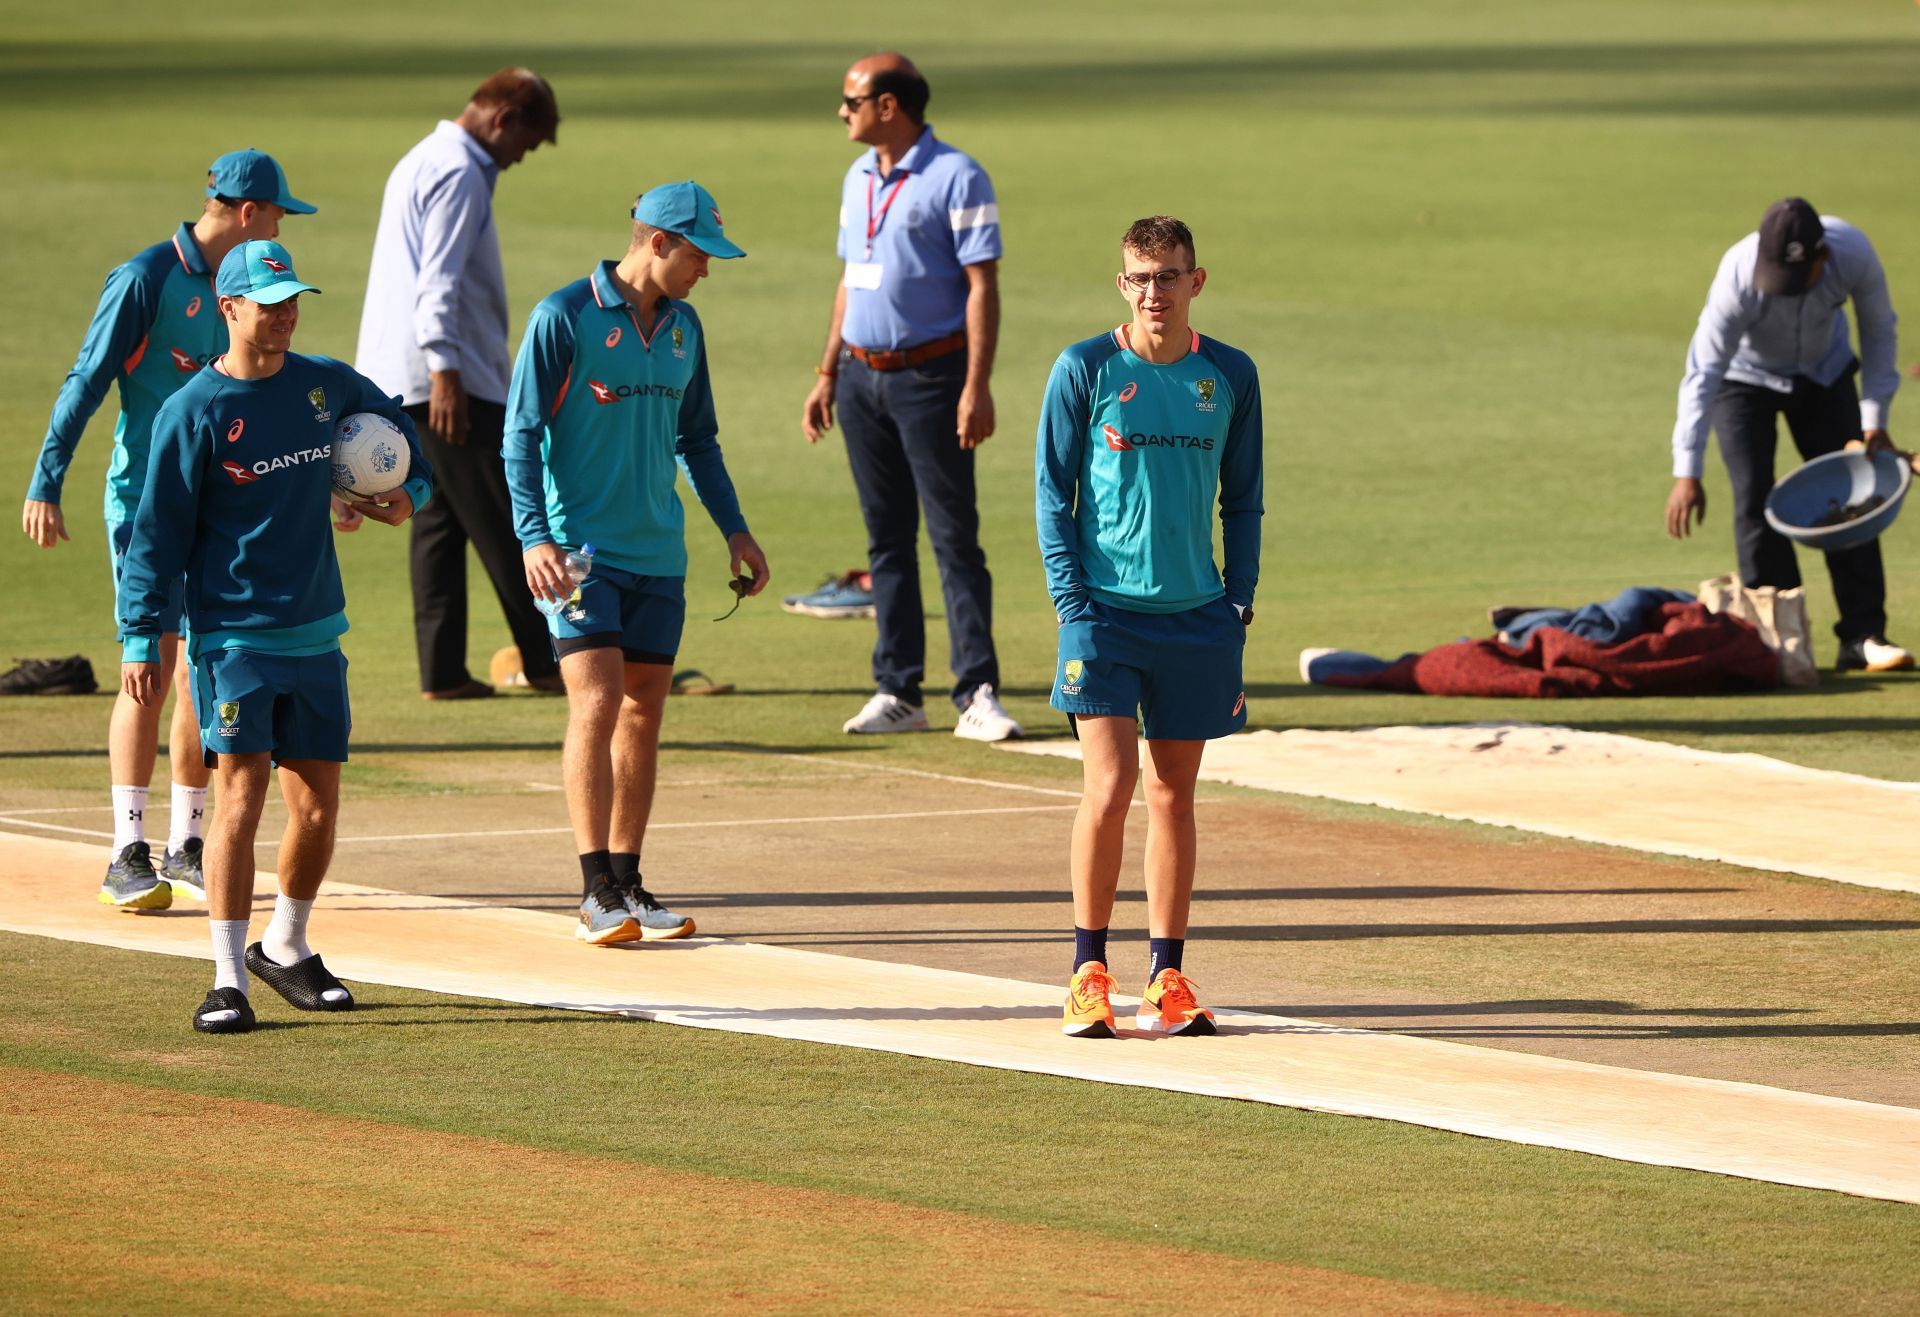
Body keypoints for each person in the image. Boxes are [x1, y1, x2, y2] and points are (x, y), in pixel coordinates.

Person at [119, 239, 432, 1033]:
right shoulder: (194, 413)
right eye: (270, 301)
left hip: (318, 632)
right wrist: (137, 639)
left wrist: (407, 491)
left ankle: (285, 944)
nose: (286, 313)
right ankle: (227, 978)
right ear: (230, 308)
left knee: (319, 808)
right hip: (232, 639)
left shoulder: (325, 385)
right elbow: (155, 536)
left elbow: (401, 430)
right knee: (240, 799)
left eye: (293, 299)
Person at [23, 148, 315, 912]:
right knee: (146, 664)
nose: (281, 225)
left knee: (201, 670)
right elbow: (87, 379)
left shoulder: (243, 290)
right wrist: (45, 482)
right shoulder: (147, 277)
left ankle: (187, 843)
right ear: (248, 213)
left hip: (223, 507)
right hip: (147, 506)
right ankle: (126, 850)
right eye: (278, 212)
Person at [504, 182, 769, 946]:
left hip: (660, 551)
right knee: (596, 700)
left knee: (644, 710)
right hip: (580, 555)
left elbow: (700, 442)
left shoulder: (686, 328)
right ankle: (593, 890)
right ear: (657, 243)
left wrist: (737, 532)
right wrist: (533, 537)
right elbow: (520, 437)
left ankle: (628, 878)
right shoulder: (564, 318)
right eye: (699, 255)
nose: (706, 271)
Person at [1035, 216, 1263, 1039]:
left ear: (1195, 282)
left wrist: (1239, 598)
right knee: (1110, 785)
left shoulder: (1229, 374)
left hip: (1198, 616)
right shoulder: (1086, 368)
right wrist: (1071, 602)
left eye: (1169, 276)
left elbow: (1243, 497)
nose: (1154, 293)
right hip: (1102, 615)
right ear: (1121, 284)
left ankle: (1167, 973)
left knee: (1174, 793)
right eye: (1139, 278)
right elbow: (1050, 496)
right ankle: (1087, 970)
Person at [800, 53, 1019, 741]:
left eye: (852, 99)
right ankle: (899, 690)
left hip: (932, 379)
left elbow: (981, 285)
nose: (843, 110)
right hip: (862, 379)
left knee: (955, 539)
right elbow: (849, 277)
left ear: (889, 106)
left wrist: (976, 386)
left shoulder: (959, 175)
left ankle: (976, 691)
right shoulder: (858, 177)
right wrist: (828, 370)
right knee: (886, 539)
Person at [357, 68, 564, 701]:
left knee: (440, 519)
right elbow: (438, 282)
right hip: (445, 375)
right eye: (526, 141)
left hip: (404, 373)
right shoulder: (459, 170)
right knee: (506, 519)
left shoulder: (425, 156)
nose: (523, 157)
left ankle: (442, 671)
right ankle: (551, 661)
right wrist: (445, 371)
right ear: (503, 119)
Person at [1667, 197, 1908, 672]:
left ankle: (1862, 636)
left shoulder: (1854, 252)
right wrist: (1686, 471)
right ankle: (1779, 642)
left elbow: (1880, 330)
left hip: (1825, 371)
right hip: (1744, 380)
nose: (1790, 291)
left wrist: (1874, 420)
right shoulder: (1737, 275)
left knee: (1851, 494)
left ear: (1824, 256)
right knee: (1755, 497)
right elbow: (1704, 371)